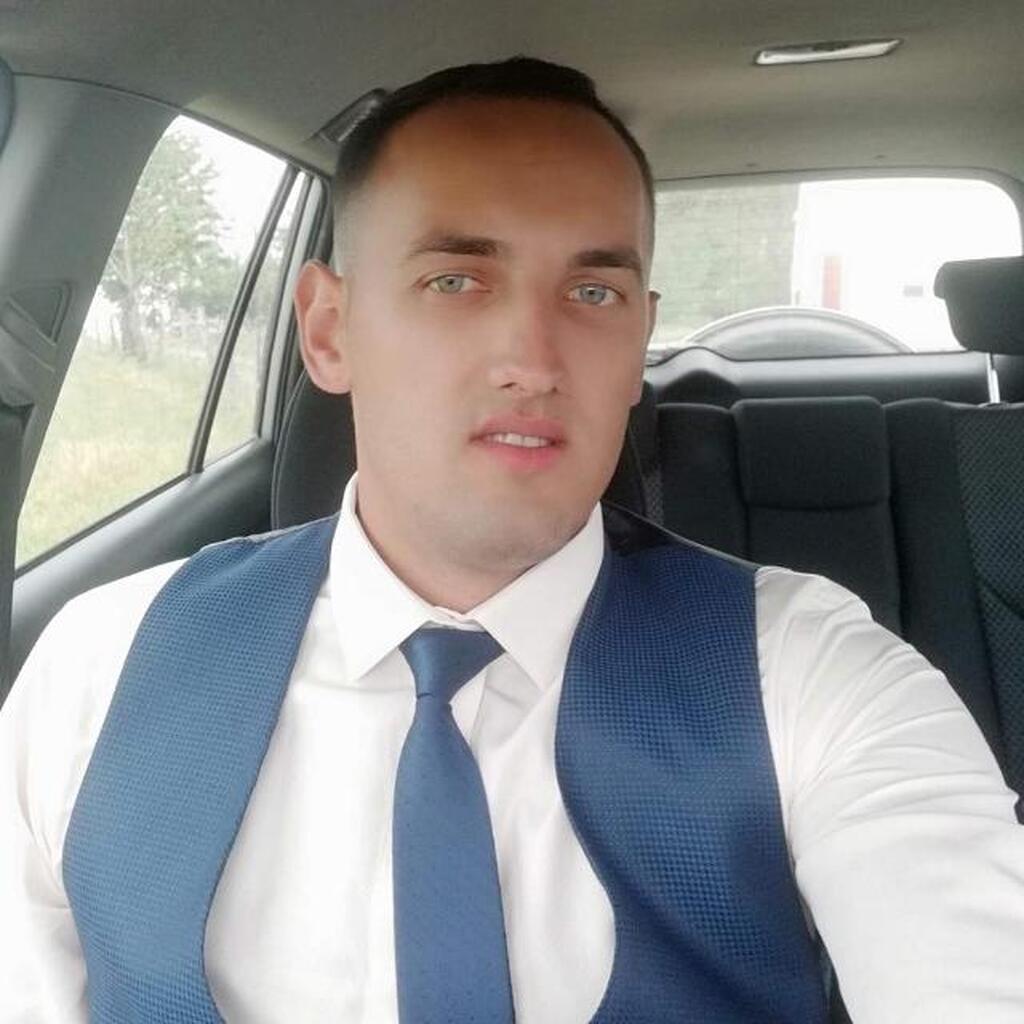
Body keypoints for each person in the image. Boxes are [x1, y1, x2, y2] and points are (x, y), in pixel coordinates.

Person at [1, 56, 1023, 1024]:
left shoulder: (804, 671)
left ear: (639, 341)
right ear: (328, 330)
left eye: (593, 293)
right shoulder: (102, 667)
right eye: (456, 281)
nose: (532, 360)